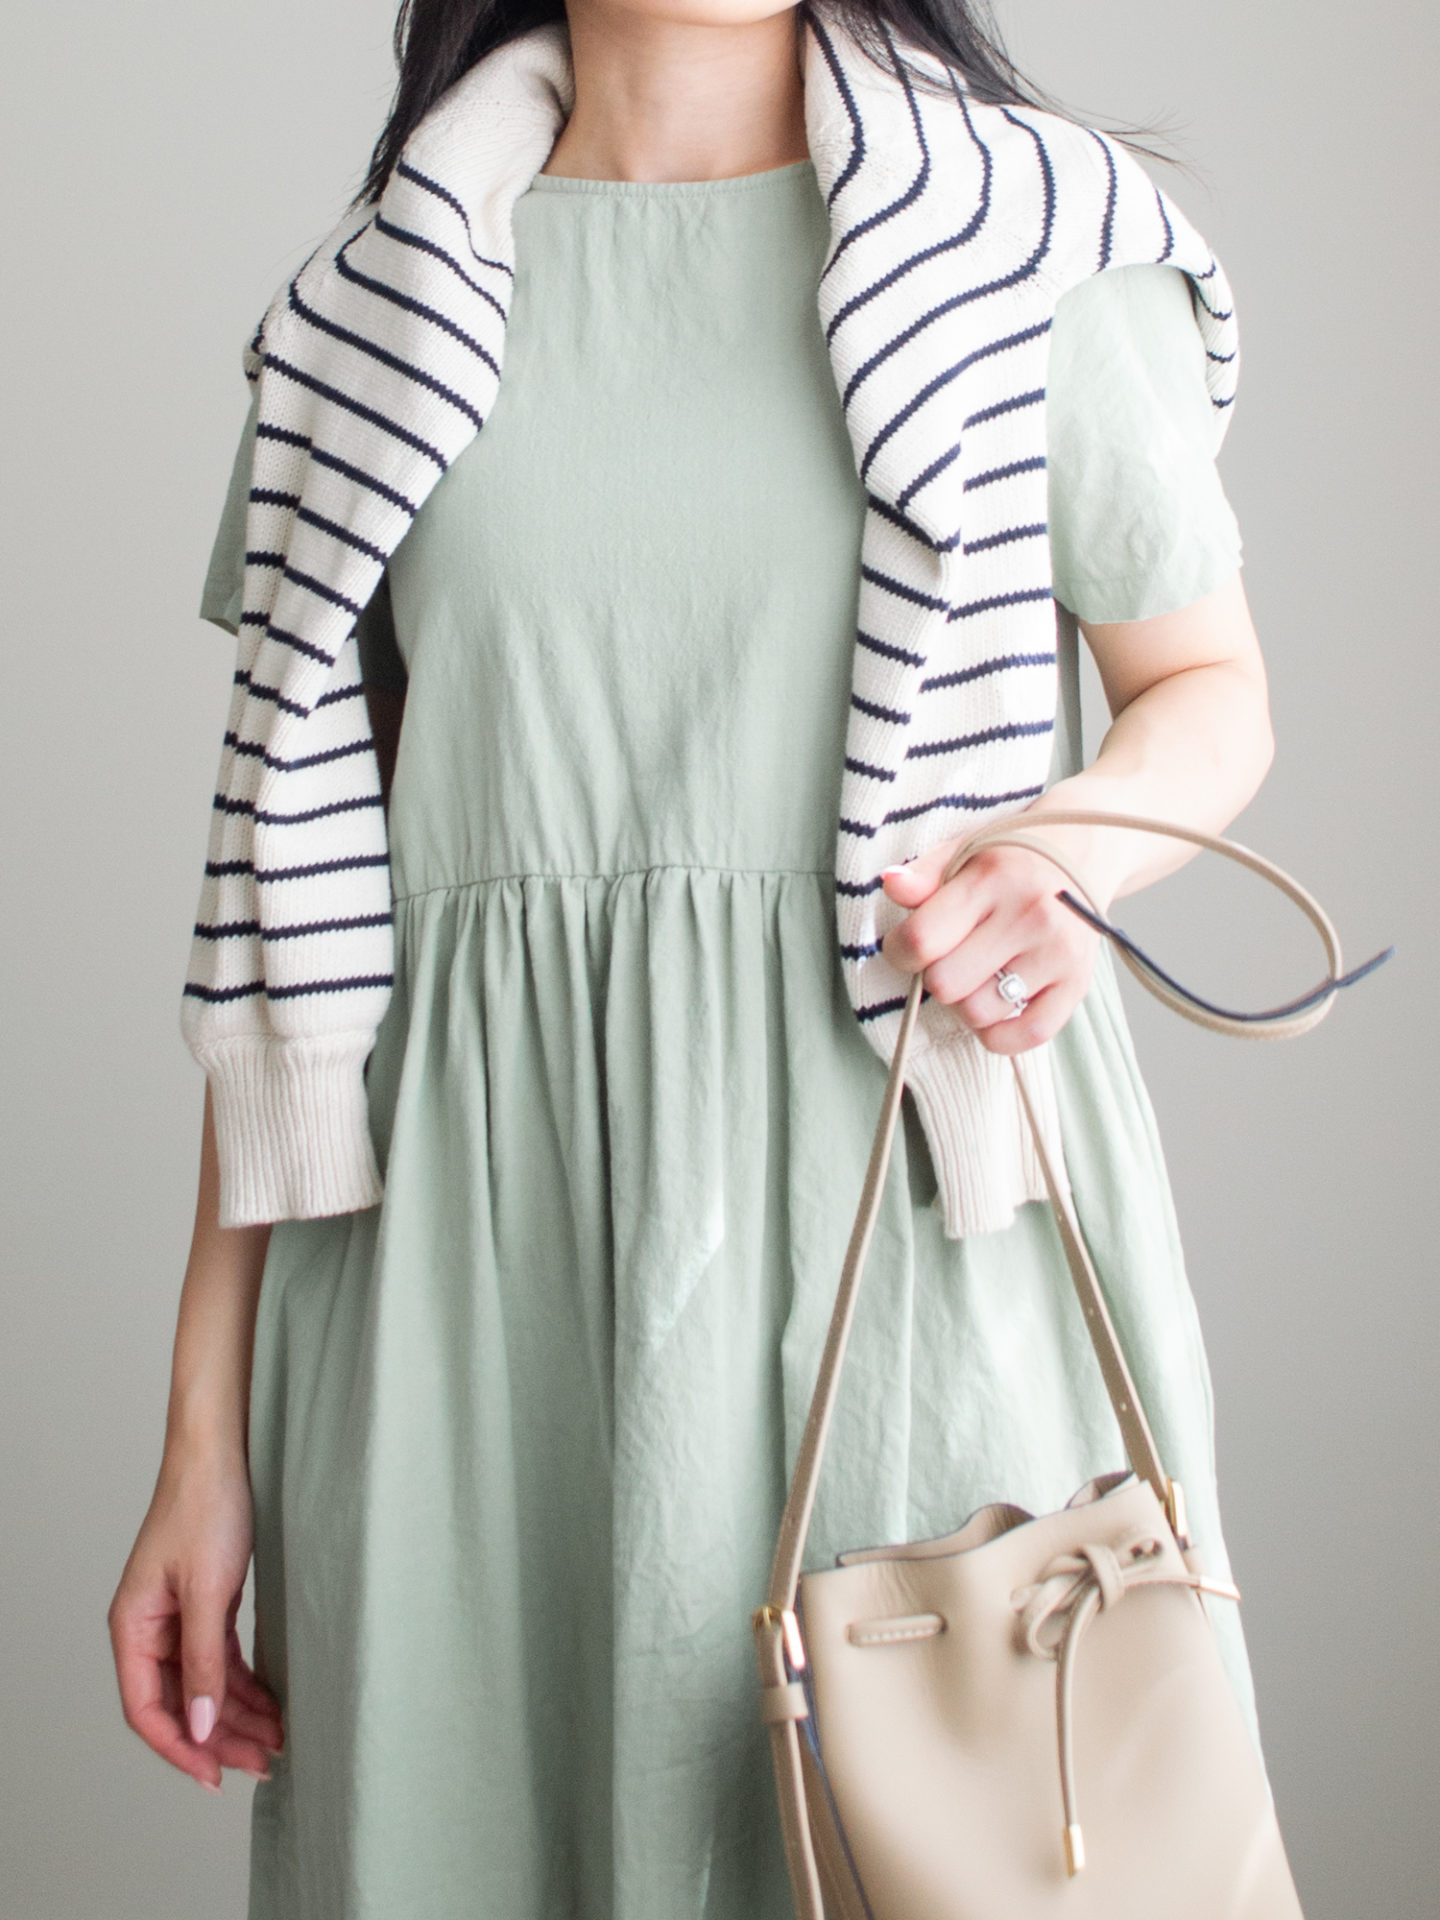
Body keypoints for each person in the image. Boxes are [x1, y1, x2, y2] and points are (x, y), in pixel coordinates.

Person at [108, 0, 1276, 1913]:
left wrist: (1061, 854)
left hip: (901, 1229)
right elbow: (293, 926)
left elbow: (1209, 692)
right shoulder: (377, 307)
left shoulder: (1022, 233)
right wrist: (199, 1439)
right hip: (465, 1273)